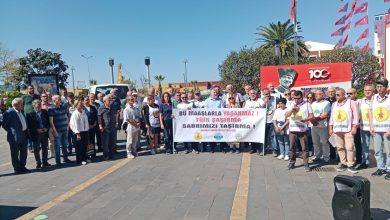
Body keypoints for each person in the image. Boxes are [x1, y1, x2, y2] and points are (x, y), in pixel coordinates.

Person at [329, 88, 359, 174]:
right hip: (337, 130)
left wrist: (354, 127)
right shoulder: (334, 104)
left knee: (350, 147)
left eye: (338, 94)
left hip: (348, 129)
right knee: (340, 147)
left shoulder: (351, 103)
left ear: (343, 95)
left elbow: (356, 116)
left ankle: (350, 164)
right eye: (335, 94)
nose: (336, 96)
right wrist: (330, 128)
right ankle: (343, 163)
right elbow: (332, 117)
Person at [286, 90, 314, 172]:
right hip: (292, 129)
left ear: (302, 97)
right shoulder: (291, 104)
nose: (296, 100)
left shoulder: (307, 104)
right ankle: (292, 162)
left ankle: (306, 163)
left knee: (305, 148)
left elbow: (312, 116)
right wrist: (292, 109)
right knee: (292, 147)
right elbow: (286, 115)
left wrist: (305, 120)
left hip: (303, 129)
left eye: (298, 98)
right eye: (294, 98)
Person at [2, 98, 30, 174]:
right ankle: (17, 169)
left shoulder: (21, 111)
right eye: (21, 104)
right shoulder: (9, 113)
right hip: (14, 137)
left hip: (24, 134)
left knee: (24, 152)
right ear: (15, 105)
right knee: (15, 153)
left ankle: (22, 167)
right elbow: (4, 125)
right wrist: (12, 132)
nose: (22, 105)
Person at [370, 79, 390, 179]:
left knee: (389, 151)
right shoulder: (374, 98)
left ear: (386, 88)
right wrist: (371, 126)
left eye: (381, 86)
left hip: (387, 130)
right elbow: (370, 112)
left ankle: (389, 169)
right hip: (377, 129)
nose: (379, 88)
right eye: (378, 86)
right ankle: (381, 168)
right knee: (378, 150)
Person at [26, 100, 51, 169]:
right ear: (33, 105)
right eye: (38, 104)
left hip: (44, 133)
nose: (39, 105)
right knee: (36, 149)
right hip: (36, 134)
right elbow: (29, 125)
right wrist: (37, 129)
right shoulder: (30, 114)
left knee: (45, 148)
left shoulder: (44, 112)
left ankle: (45, 162)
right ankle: (38, 163)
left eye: (40, 104)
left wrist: (47, 128)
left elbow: (49, 122)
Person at [49, 95, 72, 166]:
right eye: (58, 99)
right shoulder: (51, 109)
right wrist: (54, 131)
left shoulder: (63, 107)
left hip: (65, 129)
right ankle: (58, 161)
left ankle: (65, 158)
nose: (60, 100)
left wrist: (68, 125)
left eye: (60, 99)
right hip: (58, 131)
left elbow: (66, 116)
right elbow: (51, 121)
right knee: (57, 146)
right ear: (54, 101)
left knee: (65, 145)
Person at [310, 90, 331, 164]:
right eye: (315, 94)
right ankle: (317, 156)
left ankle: (326, 157)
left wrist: (314, 120)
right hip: (314, 126)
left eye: (318, 94)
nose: (316, 95)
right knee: (315, 142)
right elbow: (310, 114)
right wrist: (312, 121)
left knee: (324, 142)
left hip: (323, 126)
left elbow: (324, 115)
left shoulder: (327, 103)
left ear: (323, 95)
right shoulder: (313, 104)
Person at [357, 84, 374, 170]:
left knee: (380, 147)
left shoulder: (376, 100)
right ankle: (365, 162)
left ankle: (383, 165)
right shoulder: (361, 101)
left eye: (369, 90)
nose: (367, 92)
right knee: (365, 146)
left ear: (372, 91)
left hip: (375, 128)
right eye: (365, 90)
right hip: (363, 128)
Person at [204, 87, 224, 153]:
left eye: (216, 92)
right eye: (214, 92)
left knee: (221, 134)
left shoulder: (220, 100)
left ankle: (222, 148)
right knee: (211, 134)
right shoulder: (207, 101)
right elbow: (205, 110)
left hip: (219, 120)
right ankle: (212, 148)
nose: (215, 93)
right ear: (210, 93)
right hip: (210, 120)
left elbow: (222, 109)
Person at [347, 88, 363, 168]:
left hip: (357, 126)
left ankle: (359, 160)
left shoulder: (360, 101)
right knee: (349, 145)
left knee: (357, 144)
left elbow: (359, 114)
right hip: (348, 127)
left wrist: (355, 125)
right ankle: (349, 160)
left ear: (356, 93)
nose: (349, 95)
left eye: (351, 93)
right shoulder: (347, 102)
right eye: (347, 93)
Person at [98, 95, 118, 160]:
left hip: (113, 127)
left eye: (111, 100)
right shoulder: (101, 108)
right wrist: (100, 125)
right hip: (105, 128)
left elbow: (116, 114)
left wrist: (117, 122)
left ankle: (111, 155)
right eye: (109, 100)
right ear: (104, 101)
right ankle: (106, 156)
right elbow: (99, 117)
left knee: (112, 142)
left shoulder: (113, 107)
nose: (110, 101)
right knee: (105, 143)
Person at [69, 100, 89, 165]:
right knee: (79, 147)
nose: (81, 105)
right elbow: (74, 124)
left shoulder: (83, 112)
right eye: (79, 104)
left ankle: (84, 158)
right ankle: (79, 160)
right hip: (78, 132)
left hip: (85, 131)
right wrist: (77, 133)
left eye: (81, 104)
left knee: (84, 146)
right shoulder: (75, 113)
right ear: (76, 105)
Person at [259, 88, 278, 156]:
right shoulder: (260, 100)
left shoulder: (274, 98)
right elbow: (260, 109)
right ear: (263, 94)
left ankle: (274, 150)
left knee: (273, 136)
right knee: (264, 136)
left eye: (269, 93)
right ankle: (263, 149)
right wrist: (265, 102)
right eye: (266, 94)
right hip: (264, 121)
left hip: (272, 120)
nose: (268, 95)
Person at [243, 89, 261, 154]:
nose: (252, 94)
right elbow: (245, 111)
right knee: (252, 135)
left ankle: (258, 148)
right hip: (250, 121)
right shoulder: (247, 102)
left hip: (258, 121)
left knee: (258, 135)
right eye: (251, 93)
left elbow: (263, 107)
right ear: (249, 95)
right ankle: (253, 148)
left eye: (254, 93)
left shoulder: (259, 100)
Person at [83, 95, 98, 160]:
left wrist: (94, 123)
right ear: (83, 101)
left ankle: (93, 153)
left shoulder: (93, 107)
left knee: (92, 140)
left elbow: (96, 116)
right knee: (86, 141)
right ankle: (87, 155)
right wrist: (88, 125)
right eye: (86, 100)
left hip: (93, 126)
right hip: (85, 127)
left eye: (88, 99)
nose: (87, 101)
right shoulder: (82, 108)